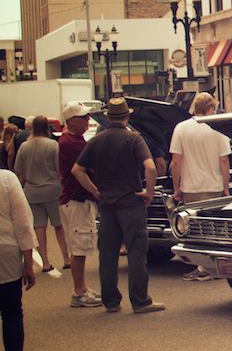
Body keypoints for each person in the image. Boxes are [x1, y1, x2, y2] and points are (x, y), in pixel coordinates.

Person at [71, 98, 163, 313]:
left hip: (107, 204)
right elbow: (150, 167)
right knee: (136, 252)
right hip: (131, 202)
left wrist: (94, 190)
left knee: (108, 254)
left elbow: (77, 170)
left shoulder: (96, 141)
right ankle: (140, 301)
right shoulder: (134, 139)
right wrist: (148, 192)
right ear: (127, 116)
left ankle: (111, 301)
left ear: (108, 116)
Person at [170, 92, 231, 282]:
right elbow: (224, 160)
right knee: (215, 228)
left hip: (191, 187)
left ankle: (200, 266)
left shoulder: (180, 129)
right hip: (213, 186)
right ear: (210, 108)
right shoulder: (218, 128)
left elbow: (176, 161)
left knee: (194, 229)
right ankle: (214, 266)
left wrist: (176, 187)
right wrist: (226, 187)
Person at [58, 102, 102, 307]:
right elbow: (91, 167)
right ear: (71, 121)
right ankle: (78, 293)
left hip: (77, 199)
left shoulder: (74, 139)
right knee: (79, 248)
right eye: (83, 117)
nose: (87, 120)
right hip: (76, 200)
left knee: (81, 246)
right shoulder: (71, 142)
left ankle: (82, 287)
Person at [14, 115, 70, 272]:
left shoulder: (24, 147)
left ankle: (45, 262)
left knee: (39, 227)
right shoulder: (53, 145)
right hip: (52, 190)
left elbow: (19, 173)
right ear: (47, 127)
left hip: (32, 192)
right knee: (58, 225)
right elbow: (60, 170)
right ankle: (66, 258)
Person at [0, 167, 36, 351]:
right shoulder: (7, 179)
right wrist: (28, 261)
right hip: (5, 252)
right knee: (12, 314)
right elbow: (22, 220)